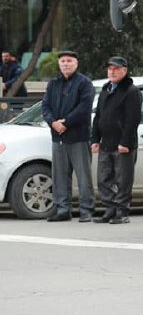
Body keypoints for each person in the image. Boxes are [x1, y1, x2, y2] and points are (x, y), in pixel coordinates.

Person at [41, 51, 95, 221]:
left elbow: (84, 108)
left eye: (69, 61)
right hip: (58, 137)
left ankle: (86, 210)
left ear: (76, 63)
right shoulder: (53, 84)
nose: (65, 64)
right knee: (60, 176)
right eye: (62, 61)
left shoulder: (84, 83)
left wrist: (66, 122)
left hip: (78, 136)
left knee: (83, 177)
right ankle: (62, 209)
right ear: (59, 64)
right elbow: (45, 107)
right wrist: (53, 123)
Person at [91, 56, 143, 224]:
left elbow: (132, 119)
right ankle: (110, 208)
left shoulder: (131, 91)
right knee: (103, 178)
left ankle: (121, 211)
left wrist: (125, 142)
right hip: (106, 142)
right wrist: (95, 138)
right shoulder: (106, 89)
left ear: (124, 70)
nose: (112, 71)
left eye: (116, 68)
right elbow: (98, 116)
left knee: (123, 179)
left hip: (123, 145)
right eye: (110, 68)